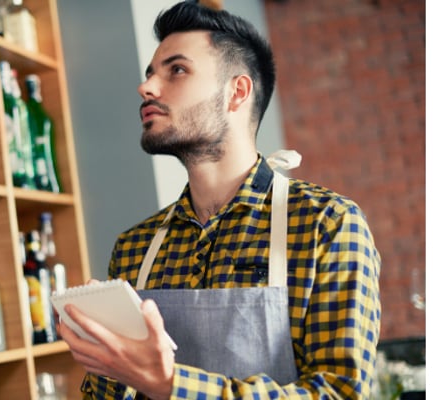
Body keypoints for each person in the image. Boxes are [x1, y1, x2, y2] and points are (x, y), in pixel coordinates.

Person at [58, 2, 381, 399]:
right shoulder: (135, 248)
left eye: (176, 70)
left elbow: (339, 393)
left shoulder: (326, 224)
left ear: (237, 92)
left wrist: (169, 384)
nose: (147, 87)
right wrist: (100, 348)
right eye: (150, 74)